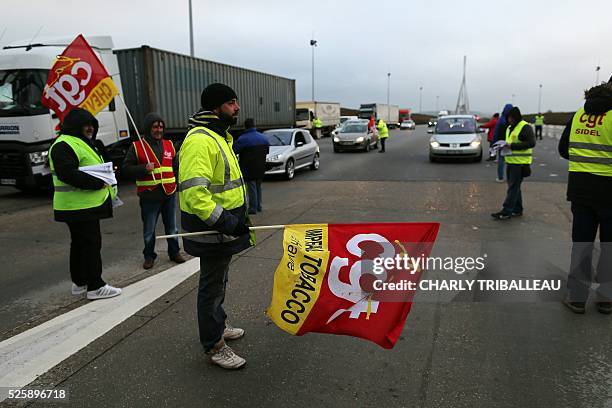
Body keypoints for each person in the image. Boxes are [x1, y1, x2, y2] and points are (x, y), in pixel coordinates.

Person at [178, 83, 251, 369]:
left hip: (223, 230)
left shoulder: (218, 136)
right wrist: (227, 222)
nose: (237, 108)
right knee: (210, 287)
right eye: (232, 102)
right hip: (212, 230)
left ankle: (217, 326)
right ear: (216, 107)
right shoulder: (200, 140)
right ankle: (214, 344)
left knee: (219, 281)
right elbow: (196, 194)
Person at [48, 108, 122, 300]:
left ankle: (80, 282)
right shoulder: (64, 144)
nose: (90, 128)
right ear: (75, 126)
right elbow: (68, 174)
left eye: (92, 125)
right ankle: (95, 286)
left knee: (80, 244)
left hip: (80, 205)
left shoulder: (83, 143)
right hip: (78, 205)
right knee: (90, 244)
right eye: (85, 125)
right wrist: (97, 182)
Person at [558, 76, 612, 315]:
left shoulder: (580, 114)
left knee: (582, 245)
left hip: (580, 191)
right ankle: (606, 299)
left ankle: (577, 298)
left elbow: (563, 149)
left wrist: (584, 163)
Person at [122, 113, 186, 269]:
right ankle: (149, 256)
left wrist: (176, 183)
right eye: (155, 127)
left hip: (169, 194)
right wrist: (143, 168)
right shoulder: (137, 146)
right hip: (149, 195)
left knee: (172, 227)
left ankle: (174, 252)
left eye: (161, 127)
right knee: (149, 230)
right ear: (148, 128)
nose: (159, 129)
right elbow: (125, 170)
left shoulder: (169, 144)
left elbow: (175, 167)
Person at [491, 107, 535, 220]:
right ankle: (517, 209)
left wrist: (512, 146)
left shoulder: (525, 127)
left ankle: (506, 211)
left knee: (513, 188)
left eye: (510, 118)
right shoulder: (510, 127)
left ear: (515, 117)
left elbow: (531, 143)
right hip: (510, 161)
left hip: (520, 163)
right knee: (515, 187)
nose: (509, 120)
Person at [233, 118, 270, 214]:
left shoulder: (243, 139)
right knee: (258, 186)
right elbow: (267, 151)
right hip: (261, 166)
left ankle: (253, 208)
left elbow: (234, 151)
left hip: (248, 167)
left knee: (251, 187)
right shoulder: (263, 138)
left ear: (245, 126)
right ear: (254, 125)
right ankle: (259, 206)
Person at [492, 104, 513, 182]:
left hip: (501, 143)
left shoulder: (501, 120)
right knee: (510, 161)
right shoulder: (513, 120)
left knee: (501, 160)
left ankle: (500, 177)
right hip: (510, 143)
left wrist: (493, 143)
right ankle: (510, 178)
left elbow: (496, 132)